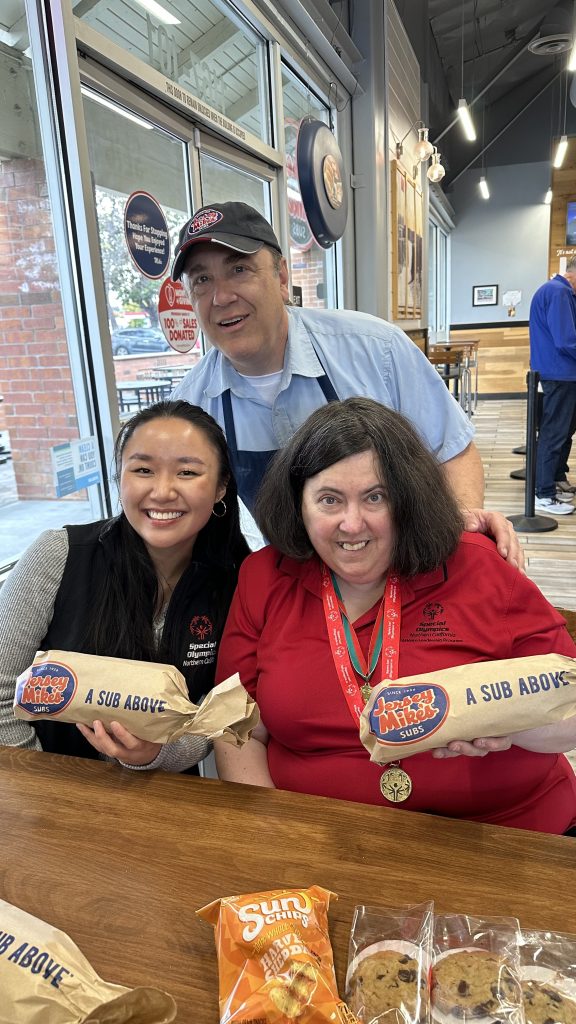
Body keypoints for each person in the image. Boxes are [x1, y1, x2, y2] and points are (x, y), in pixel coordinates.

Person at [214, 398, 576, 833]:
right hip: (324, 841)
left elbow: (569, 712)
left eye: (376, 497)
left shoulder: (479, 565)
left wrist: (511, 728)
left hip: (504, 836)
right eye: (329, 499)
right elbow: (238, 728)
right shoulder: (265, 578)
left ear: (407, 499)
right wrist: (276, 833)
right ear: (299, 506)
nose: (352, 524)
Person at [170, 201, 522, 567]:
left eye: (239, 269)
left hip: (395, 570)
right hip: (288, 589)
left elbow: (452, 450)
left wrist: (462, 530)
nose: (221, 297)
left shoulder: (377, 351)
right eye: (202, 280)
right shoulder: (190, 408)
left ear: (282, 278)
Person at [0, 400, 249, 771]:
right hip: (47, 796)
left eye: (187, 472)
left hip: (167, 800)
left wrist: (154, 755)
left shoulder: (238, 580)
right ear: (120, 477)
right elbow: (3, 695)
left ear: (220, 487)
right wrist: (49, 790)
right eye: (143, 469)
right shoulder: (61, 555)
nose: (162, 491)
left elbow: (217, 715)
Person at [530, 260, 576, 515]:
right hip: (560, 374)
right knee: (554, 434)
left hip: (562, 373)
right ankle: (544, 494)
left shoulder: (557, 291)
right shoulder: (558, 292)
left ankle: (555, 481)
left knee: (563, 432)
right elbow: (566, 341)